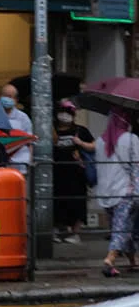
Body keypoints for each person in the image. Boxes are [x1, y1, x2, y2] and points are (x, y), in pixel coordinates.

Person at [96, 109, 139, 277]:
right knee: (121, 228)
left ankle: (133, 261)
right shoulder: (131, 139)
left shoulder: (100, 141)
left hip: (106, 191)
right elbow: (136, 165)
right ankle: (110, 259)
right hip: (125, 190)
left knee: (122, 225)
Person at [53, 99, 94, 244]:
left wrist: (81, 144)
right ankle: (56, 230)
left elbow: (93, 146)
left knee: (77, 202)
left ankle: (75, 233)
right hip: (56, 173)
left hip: (76, 174)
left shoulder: (81, 131)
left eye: (68, 113)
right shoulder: (52, 130)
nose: (64, 116)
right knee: (56, 202)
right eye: (62, 112)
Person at [0, 84, 33, 174]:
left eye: (10, 97)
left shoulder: (23, 117)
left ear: (16, 100)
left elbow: (30, 142)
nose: (7, 99)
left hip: (21, 164)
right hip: (1, 164)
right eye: (5, 96)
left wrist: (30, 161)